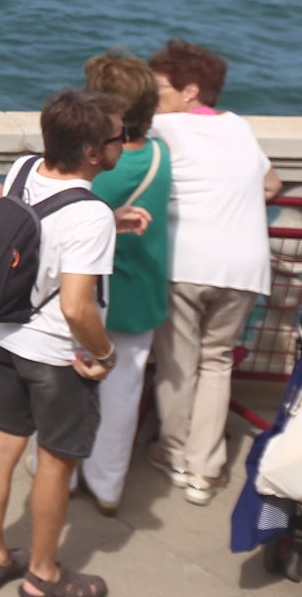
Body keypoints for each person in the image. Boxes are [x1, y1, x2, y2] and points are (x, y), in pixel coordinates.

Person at [0, 89, 127, 597]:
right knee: (56, 463)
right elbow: (77, 307)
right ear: (91, 153)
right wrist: (104, 355)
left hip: (3, 334)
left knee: (1, 442)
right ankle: (43, 574)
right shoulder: (91, 215)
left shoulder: (21, 170)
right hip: (59, 356)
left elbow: (1, 202)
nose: (123, 143)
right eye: (117, 137)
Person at [146, 38, 277, 506]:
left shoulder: (163, 127)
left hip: (187, 261)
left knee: (178, 362)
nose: (151, 93)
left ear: (189, 91)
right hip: (243, 264)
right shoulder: (238, 127)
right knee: (216, 361)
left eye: (158, 86)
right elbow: (272, 182)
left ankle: (175, 454)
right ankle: (206, 471)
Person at [78, 50, 172, 514]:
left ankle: (59, 465)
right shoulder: (160, 155)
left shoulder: (96, 170)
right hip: (142, 295)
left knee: (73, 383)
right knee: (124, 392)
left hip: (93, 295)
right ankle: (108, 485)